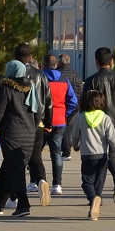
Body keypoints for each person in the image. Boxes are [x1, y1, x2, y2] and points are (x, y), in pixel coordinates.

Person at [0, 60, 40, 217]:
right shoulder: (31, 88)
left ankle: (23, 204)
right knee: (13, 166)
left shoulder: (6, 89)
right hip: (29, 134)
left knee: (15, 169)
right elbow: (38, 112)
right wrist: (33, 128)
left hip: (12, 134)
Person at [74, 89, 115, 220]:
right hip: (103, 156)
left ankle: (93, 200)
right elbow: (113, 138)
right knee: (98, 183)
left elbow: (74, 135)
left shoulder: (80, 117)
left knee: (86, 182)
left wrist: (75, 145)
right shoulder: (105, 118)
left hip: (87, 156)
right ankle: (95, 206)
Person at [15, 43, 54, 205]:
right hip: (38, 122)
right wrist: (48, 122)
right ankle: (42, 182)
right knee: (36, 157)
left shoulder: (14, 74)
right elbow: (48, 100)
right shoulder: (41, 75)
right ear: (31, 58)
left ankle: (18, 194)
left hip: (19, 123)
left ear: (15, 58)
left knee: (18, 160)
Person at [41, 54, 78, 196]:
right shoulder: (64, 80)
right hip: (59, 119)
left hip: (43, 120)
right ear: (56, 65)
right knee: (56, 153)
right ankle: (57, 184)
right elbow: (73, 101)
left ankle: (36, 181)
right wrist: (65, 113)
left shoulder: (40, 78)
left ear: (43, 64)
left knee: (35, 154)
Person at [85, 47, 115, 137]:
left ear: (96, 62)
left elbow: (86, 104)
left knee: (99, 150)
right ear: (111, 61)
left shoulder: (91, 80)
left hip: (97, 122)